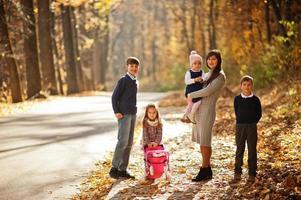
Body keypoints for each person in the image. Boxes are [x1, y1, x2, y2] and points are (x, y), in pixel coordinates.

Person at [187, 49, 226, 182]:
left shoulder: (220, 76)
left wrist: (191, 95)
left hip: (207, 111)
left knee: (205, 141)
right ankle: (207, 169)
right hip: (199, 110)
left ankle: (204, 169)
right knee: (201, 142)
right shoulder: (208, 73)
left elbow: (208, 91)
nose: (211, 61)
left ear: (218, 60)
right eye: (209, 59)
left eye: (214, 59)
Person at [109, 57, 140, 179]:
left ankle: (123, 169)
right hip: (124, 114)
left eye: (136, 66)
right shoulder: (123, 80)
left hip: (132, 113)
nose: (134, 68)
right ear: (127, 67)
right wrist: (116, 111)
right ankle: (114, 168)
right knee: (122, 141)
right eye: (131, 66)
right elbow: (114, 97)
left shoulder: (135, 81)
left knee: (129, 142)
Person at [232, 75, 262, 183]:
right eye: (244, 85)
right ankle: (237, 171)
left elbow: (259, 114)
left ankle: (252, 173)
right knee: (239, 149)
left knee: (252, 149)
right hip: (240, 126)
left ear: (252, 86)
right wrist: (242, 121)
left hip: (251, 126)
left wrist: (252, 122)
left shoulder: (255, 100)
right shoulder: (237, 99)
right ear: (241, 86)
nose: (246, 87)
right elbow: (237, 112)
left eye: (249, 85)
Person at [181, 51, 208, 124]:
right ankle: (189, 115)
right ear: (191, 65)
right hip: (191, 91)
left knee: (195, 103)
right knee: (192, 104)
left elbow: (205, 78)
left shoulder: (202, 72)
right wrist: (194, 80)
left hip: (198, 91)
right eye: (195, 63)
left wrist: (202, 80)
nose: (197, 65)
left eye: (199, 63)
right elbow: (186, 81)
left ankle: (187, 115)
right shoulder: (189, 72)